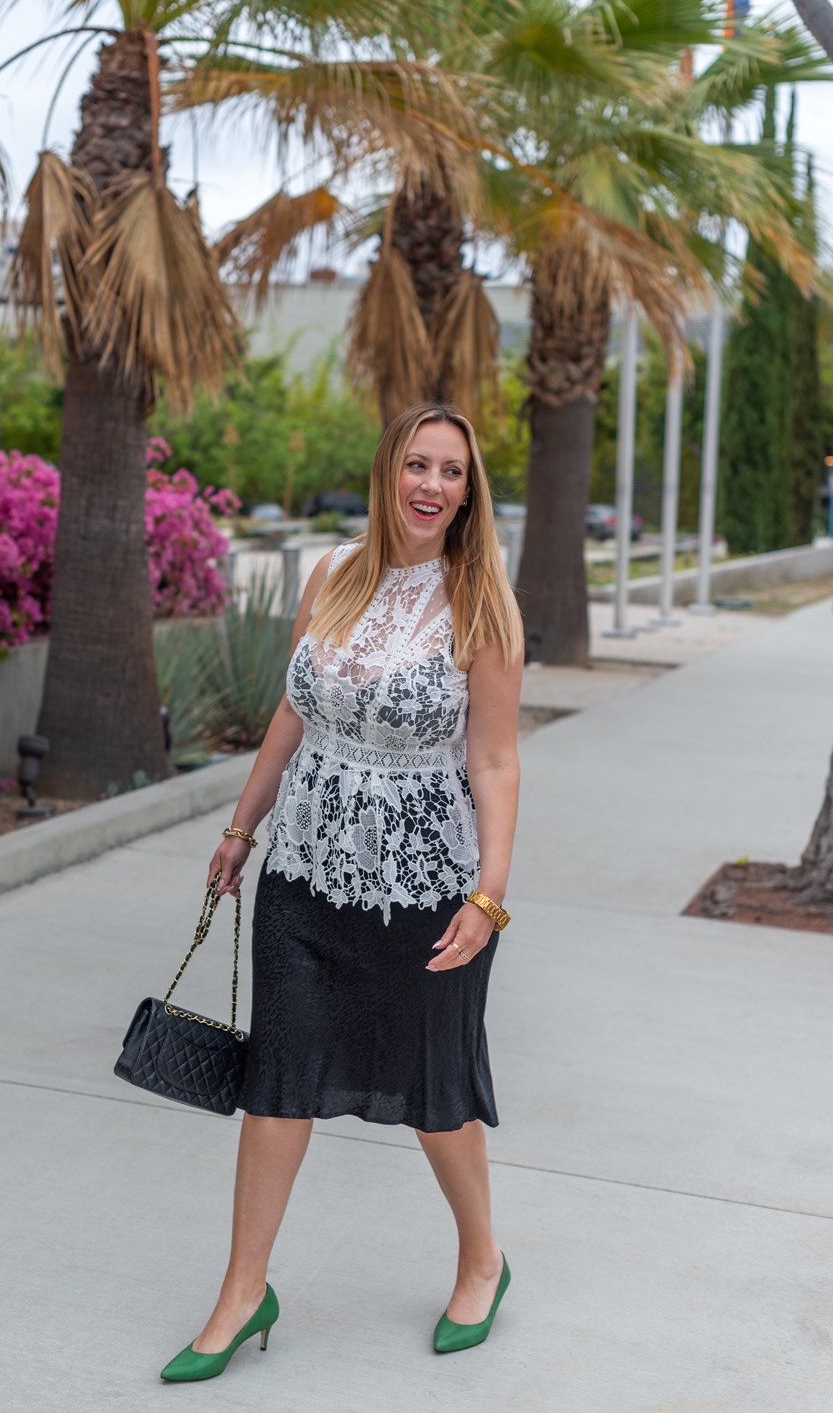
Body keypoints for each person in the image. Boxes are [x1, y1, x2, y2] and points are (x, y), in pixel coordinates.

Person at [160, 402, 524, 1383]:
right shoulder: (328, 573)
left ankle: (482, 1259)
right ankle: (243, 1292)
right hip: (303, 874)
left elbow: (491, 759)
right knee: (277, 1083)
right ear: (387, 470)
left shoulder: (481, 599)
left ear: (466, 490)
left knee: (432, 1094)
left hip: (423, 888)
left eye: (451, 471)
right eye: (417, 463)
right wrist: (242, 826)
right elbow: (293, 707)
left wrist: (487, 896)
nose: (431, 486)